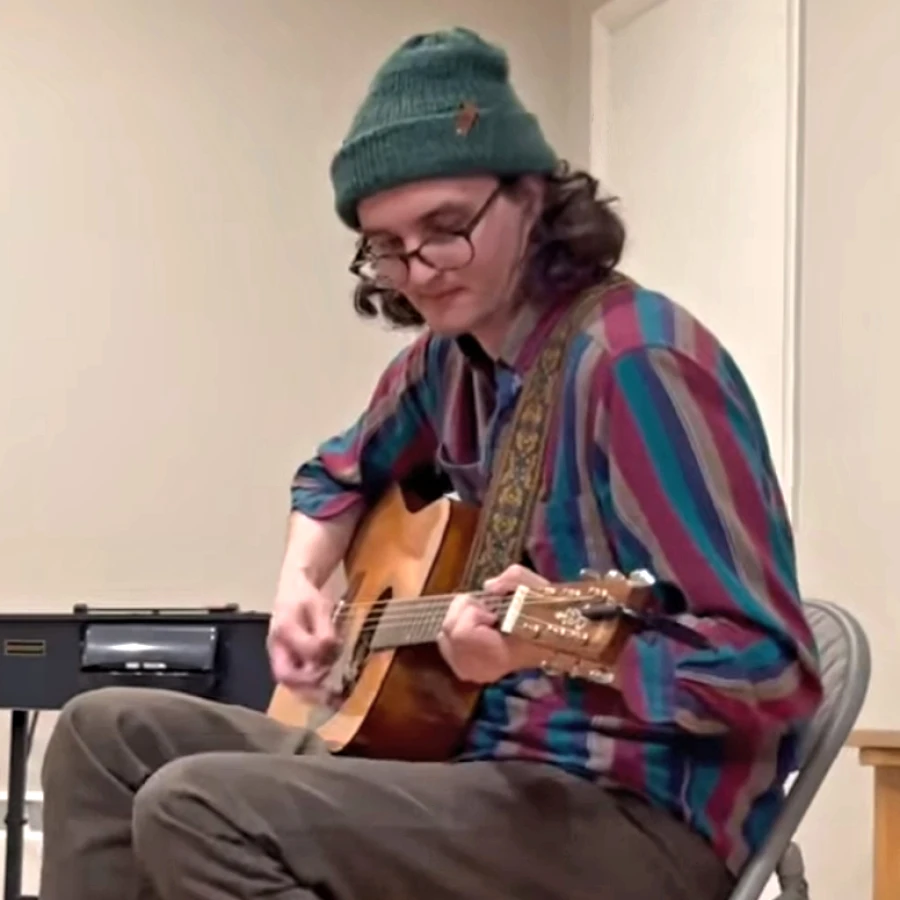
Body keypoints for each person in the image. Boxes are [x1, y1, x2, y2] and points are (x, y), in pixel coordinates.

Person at [39, 26, 823, 900]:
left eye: (447, 229)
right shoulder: (444, 365)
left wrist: (553, 645)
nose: (417, 271)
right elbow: (334, 475)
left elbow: (772, 674)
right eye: (386, 246)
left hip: (631, 815)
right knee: (101, 735)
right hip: (473, 765)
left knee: (198, 809)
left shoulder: (637, 365)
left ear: (532, 196)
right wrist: (303, 583)